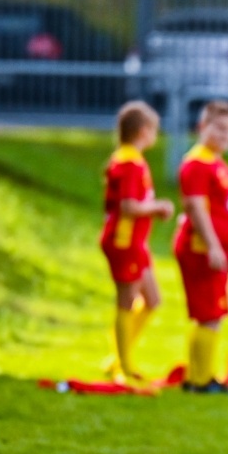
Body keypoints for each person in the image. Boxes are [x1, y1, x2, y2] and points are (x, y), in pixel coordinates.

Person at [100, 101, 174, 381]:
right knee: (126, 302)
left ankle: (119, 355)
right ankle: (122, 365)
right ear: (144, 130)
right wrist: (157, 208)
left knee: (152, 300)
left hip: (135, 242)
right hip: (123, 241)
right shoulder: (130, 162)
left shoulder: (130, 159)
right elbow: (128, 206)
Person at [174, 100, 228, 394]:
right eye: (220, 128)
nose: (227, 135)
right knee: (209, 314)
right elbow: (196, 208)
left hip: (216, 250)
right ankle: (199, 381)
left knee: (213, 313)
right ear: (203, 127)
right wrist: (214, 246)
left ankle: (200, 375)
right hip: (201, 248)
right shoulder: (197, 164)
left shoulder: (217, 163)